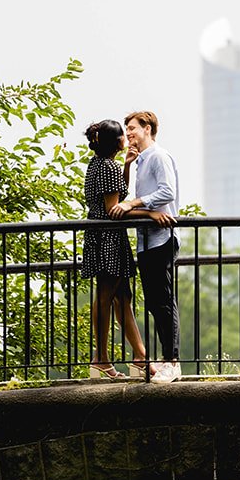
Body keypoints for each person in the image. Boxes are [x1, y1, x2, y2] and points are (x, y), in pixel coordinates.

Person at [112, 109, 180, 382]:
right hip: (147, 239)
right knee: (154, 301)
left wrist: (134, 204)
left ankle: (172, 361)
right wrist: (128, 164)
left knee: (163, 301)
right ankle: (167, 359)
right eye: (127, 129)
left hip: (161, 237)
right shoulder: (140, 161)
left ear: (148, 129)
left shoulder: (159, 157)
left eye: (133, 128)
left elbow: (167, 192)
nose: (128, 133)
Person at [81, 119, 149, 379]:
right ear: (116, 141)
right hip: (109, 237)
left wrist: (128, 166)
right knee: (107, 296)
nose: (127, 138)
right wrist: (147, 213)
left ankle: (141, 356)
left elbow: (114, 197)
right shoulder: (108, 167)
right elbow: (114, 209)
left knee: (123, 298)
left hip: (101, 236)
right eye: (123, 135)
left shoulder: (99, 164)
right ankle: (101, 359)